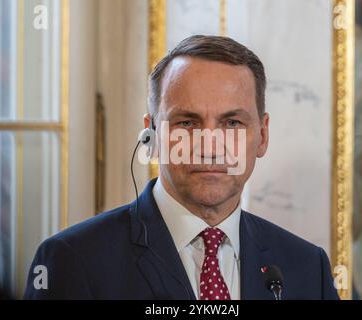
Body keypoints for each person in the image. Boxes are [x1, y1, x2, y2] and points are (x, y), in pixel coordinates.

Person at [24, 35, 338, 300]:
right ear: (152, 135)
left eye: (232, 123)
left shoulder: (309, 267)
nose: (211, 146)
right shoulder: (72, 259)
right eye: (187, 122)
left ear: (263, 136)